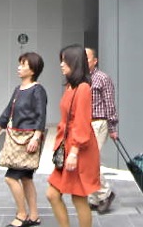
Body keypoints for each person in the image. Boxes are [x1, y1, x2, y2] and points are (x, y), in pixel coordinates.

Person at [0, 52, 47, 227]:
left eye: (23, 64)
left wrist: (36, 137)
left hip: (27, 140)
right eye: (19, 64)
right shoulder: (18, 89)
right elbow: (7, 112)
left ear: (33, 70)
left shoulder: (38, 90)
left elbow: (41, 115)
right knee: (26, 178)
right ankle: (34, 216)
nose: (19, 67)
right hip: (16, 138)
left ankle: (21, 214)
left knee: (11, 178)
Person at [46, 45, 99, 227]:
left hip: (79, 150)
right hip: (68, 146)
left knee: (78, 197)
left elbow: (82, 122)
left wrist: (74, 152)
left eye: (65, 60)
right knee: (52, 194)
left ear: (74, 62)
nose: (61, 64)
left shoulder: (83, 88)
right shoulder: (71, 86)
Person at [85, 47, 118, 214]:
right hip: (85, 124)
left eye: (87, 58)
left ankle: (106, 194)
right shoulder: (81, 78)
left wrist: (112, 127)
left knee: (91, 161)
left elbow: (109, 104)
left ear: (95, 60)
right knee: (86, 161)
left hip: (99, 123)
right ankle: (94, 198)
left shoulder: (102, 78)